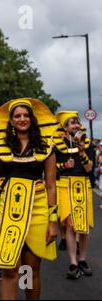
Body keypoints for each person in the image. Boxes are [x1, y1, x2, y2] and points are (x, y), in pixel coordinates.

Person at [0, 98, 59, 300]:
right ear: (11, 121)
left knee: (29, 270)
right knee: (9, 269)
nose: (22, 119)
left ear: (32, 119)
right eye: (17, 116)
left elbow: (51, 185)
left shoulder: (45, 146)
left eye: (25, 115)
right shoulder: (0, 145)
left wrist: (52, 221)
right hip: (7, 211)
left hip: (37, 211)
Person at [54, 111, 95, 279]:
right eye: (72, 123)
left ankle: (83, 259)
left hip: (82, 185)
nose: (76, 125)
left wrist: (81, 151)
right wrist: (64, 164)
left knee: (83, 226)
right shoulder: (57, 144)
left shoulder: (87, 143)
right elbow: (51, 168)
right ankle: (73, 262)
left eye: (77, 122)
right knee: (70, 224)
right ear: (65, 127)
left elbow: (89, 168)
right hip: (64, 185)